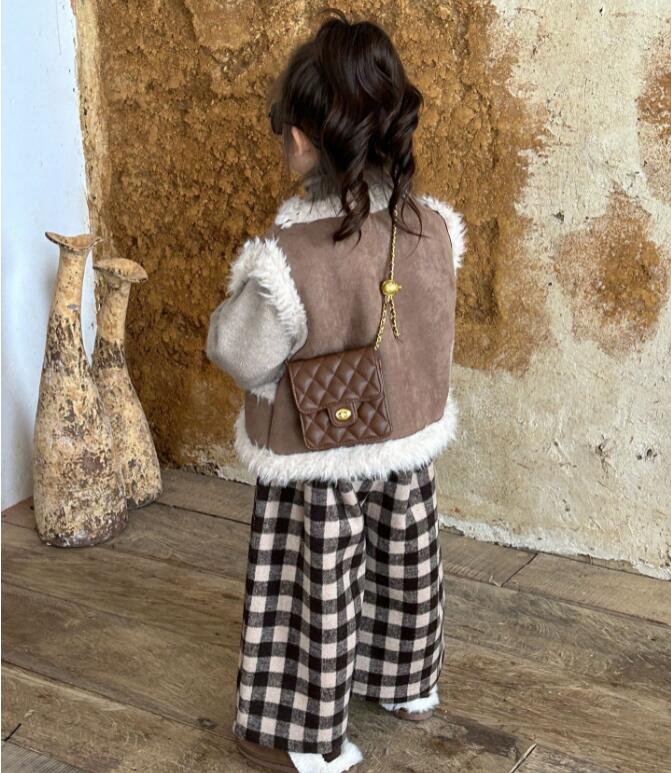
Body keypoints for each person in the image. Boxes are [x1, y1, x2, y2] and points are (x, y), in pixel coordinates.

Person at [205, 9, 465, 773]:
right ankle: (404, 680)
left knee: (310, 583)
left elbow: (240, 354)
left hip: (317, 450)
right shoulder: (435, 228)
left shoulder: (286, 256)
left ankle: (298, 733)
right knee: (403, 556)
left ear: (300, 137)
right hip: (405, 439)